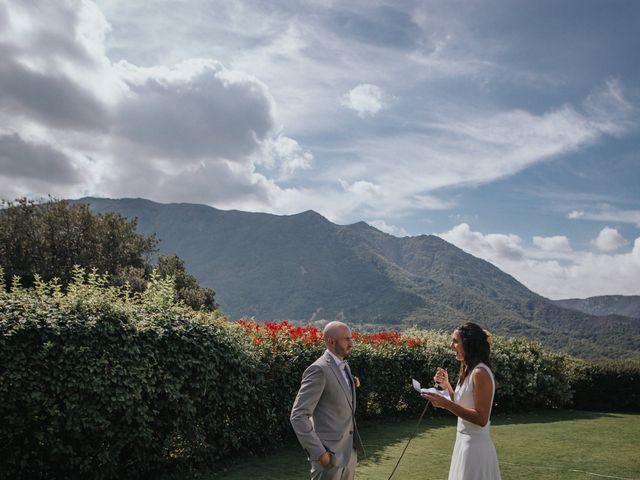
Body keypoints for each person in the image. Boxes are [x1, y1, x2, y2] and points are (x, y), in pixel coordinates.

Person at [422, 322, 501, 480]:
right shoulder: (467, 369)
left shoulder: (480, 373)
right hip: (462, 443)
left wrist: (445, 403)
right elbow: (460, 402)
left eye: (455, 341)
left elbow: (481, 418)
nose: (452, 345)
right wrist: (446, 386)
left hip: (475, 450)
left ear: (469, 344)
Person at [290, 321, 365, 480]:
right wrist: (320, 453)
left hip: (348, 454)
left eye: (351, 338)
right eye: (346, 339)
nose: (351, 343)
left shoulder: (345, 366)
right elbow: (298, 416)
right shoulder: (318, 369)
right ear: (331, 341)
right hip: (329, 457)